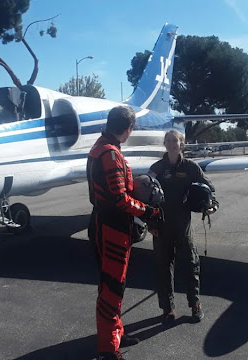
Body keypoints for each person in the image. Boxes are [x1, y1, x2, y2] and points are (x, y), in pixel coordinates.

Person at [86, 106, 161, 360]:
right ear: (127, 129)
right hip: (112, 228)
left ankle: (115, 333)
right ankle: (107, 349)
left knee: (115, 286)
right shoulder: (110, 154)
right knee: (111, 288)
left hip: (108, 224)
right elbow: (120, 198)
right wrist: (148, 212)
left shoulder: (102, 147)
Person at [148, 130, 215, 324]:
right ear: (164, 144)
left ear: (181, 144)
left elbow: (208, 188)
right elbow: (145, 196)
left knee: (191, 264)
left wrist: (212, 205)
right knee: (163, 267)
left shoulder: (191, 167)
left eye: (175, 141)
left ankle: (195, 304)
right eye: (168, 141)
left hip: (183, 224)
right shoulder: (157, 168)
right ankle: (167, 309)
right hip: (160, 225)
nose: (171, 144)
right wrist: (150, 223)